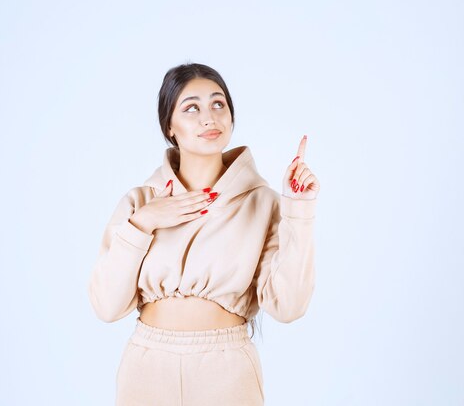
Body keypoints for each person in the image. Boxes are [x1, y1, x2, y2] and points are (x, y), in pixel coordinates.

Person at [87, 62, 320, 406]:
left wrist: (299, 209)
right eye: (191, 107)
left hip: (226, 370)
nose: (209, 117)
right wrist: (142, 225)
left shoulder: (264, 202)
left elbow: (288, 307)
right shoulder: (140, 202)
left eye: (218, 104)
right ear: (170, 125)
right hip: (147, 367)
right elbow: (107, 307)